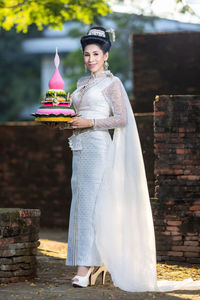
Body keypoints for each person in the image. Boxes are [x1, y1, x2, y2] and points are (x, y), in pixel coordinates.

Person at [65, 26, 200, 292]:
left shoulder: (111, 83)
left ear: (105, 56)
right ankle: (92, 262)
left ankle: (85, 267)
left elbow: (121, 119)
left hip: (98, 147)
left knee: (92, 206)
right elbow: (76, 115)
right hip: (78, 147)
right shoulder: (82, 84)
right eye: (86, 54)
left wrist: (89, 121)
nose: (90, 59)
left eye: (95, 54)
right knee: (80, 205)